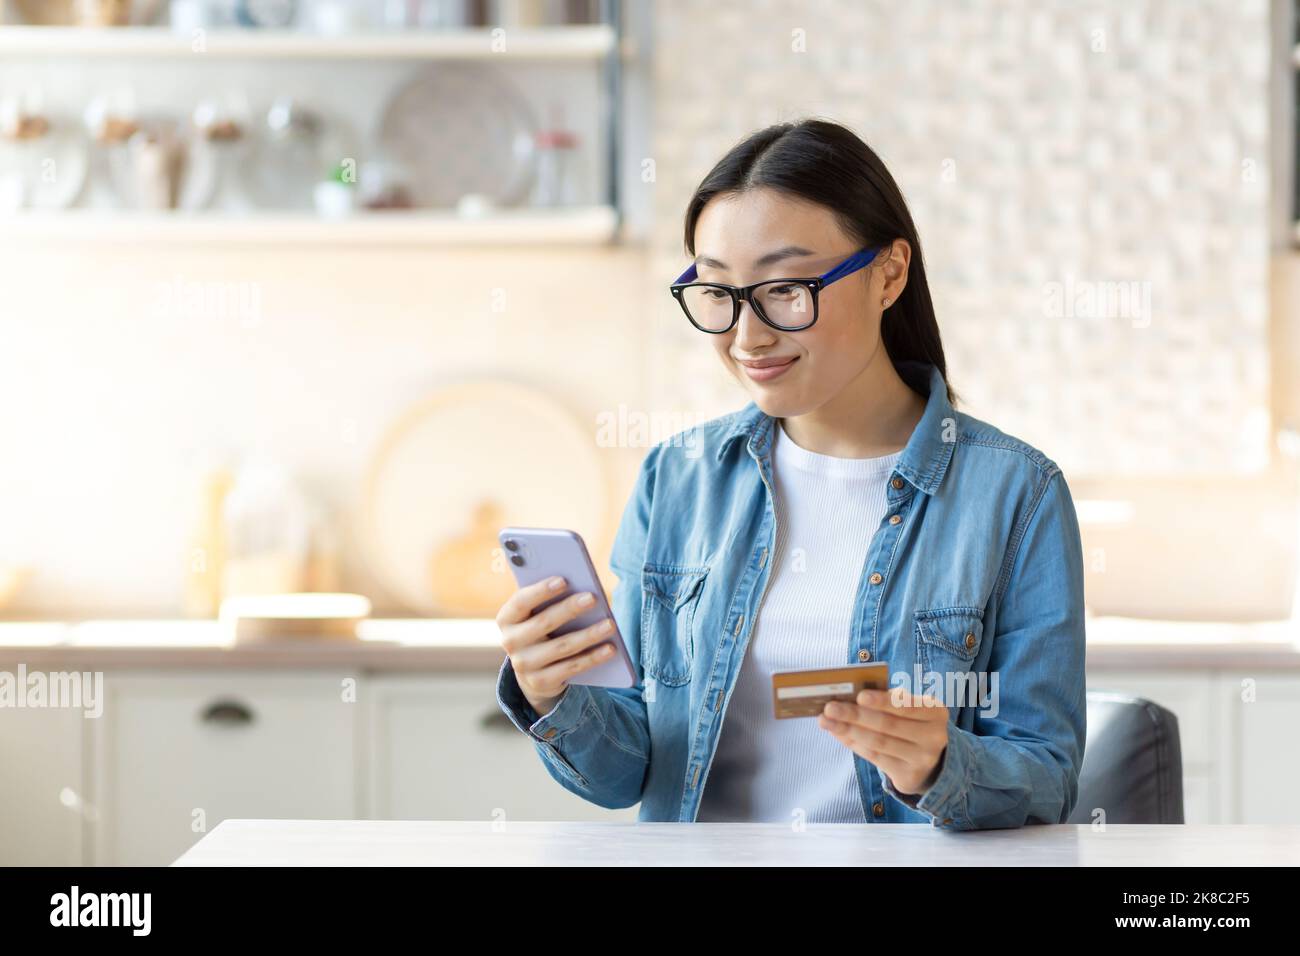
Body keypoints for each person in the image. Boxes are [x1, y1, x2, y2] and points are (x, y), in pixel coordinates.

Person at [494, 118, 1086, 829]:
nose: (749, 337)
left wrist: (939, 766)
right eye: (717, 292)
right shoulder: (678, 480)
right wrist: (553, 694)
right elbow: (626, 775)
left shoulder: (1015, 495)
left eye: (784, 289)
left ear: (888, 274)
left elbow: (1046, 778)